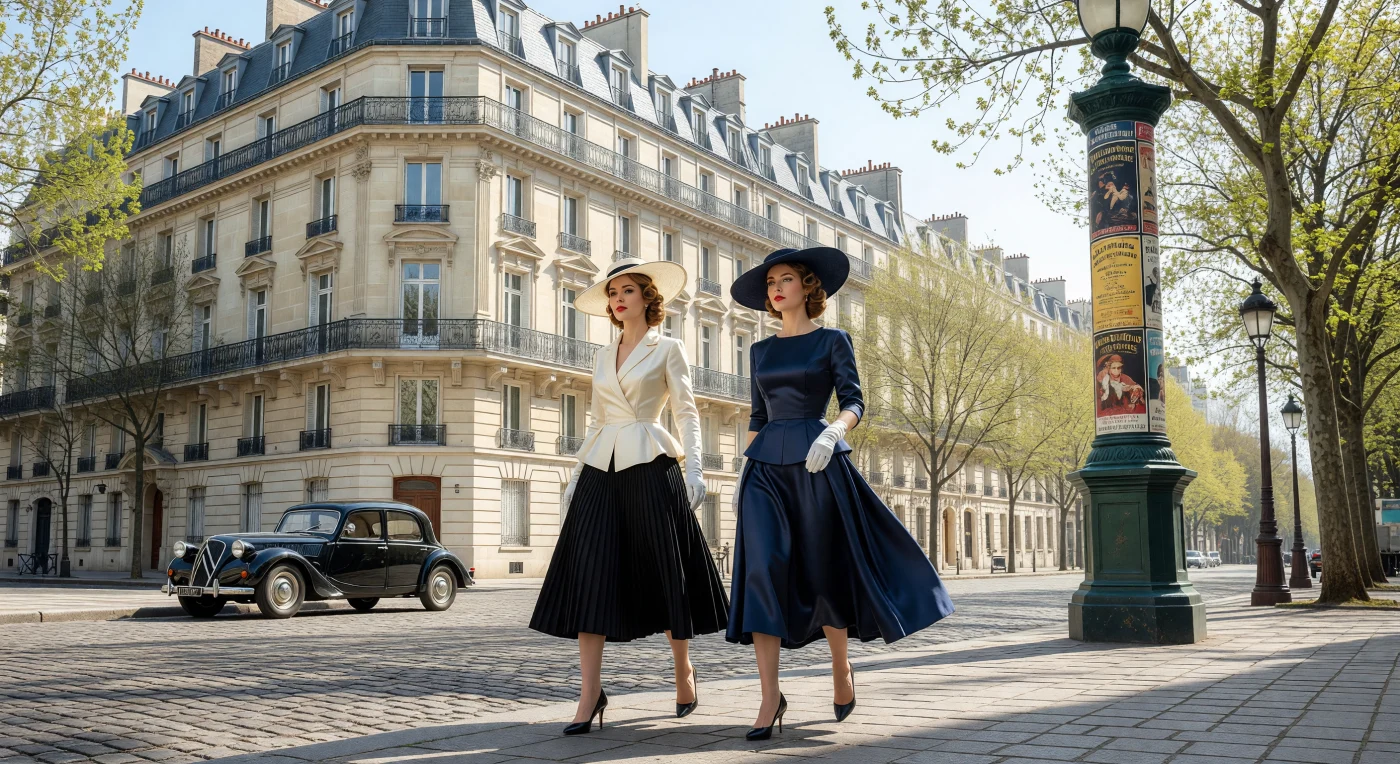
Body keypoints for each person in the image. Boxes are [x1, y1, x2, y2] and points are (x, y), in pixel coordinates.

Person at [726, 246, 954, 740]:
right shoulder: (760, 351)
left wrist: (833, 432)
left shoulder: (833, 340)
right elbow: (758, 417)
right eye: (770, 284)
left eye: (785, 279)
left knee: (824, 570)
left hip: (817, 462)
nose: (776, 288)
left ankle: (840, 667)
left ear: (809, 287)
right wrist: (741, 474)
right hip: (765, 469)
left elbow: (854, 399)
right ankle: (769, 698)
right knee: (762, 571)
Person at [529, 257, 729, 735]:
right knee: (590, 574)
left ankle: (683, 669)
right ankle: (589, 693)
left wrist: (695, 470)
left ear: (648, 298)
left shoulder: (669, 347)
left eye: (627, 291)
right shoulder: (601, 355)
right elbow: (597, 421)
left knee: (665, 570)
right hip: (601, 467)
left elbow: (687, 412)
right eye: (613, 294)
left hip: (653, 464)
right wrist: (576, 475)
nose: (618, 300)